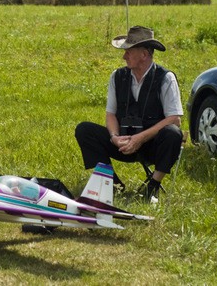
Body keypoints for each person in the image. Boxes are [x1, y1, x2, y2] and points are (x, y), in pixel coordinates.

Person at [75, 26, 183, 202]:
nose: (124, 56)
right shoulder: (117, 76)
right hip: (123, 141)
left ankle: (152, 186)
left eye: (128, 51)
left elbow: (174, 119)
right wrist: (114, 137)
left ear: (144, 55)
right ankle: (112, 184)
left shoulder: (166, 78)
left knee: (173, 133)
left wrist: (140, 138)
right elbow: (110, 114)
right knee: (84, 130)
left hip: (151, 145)